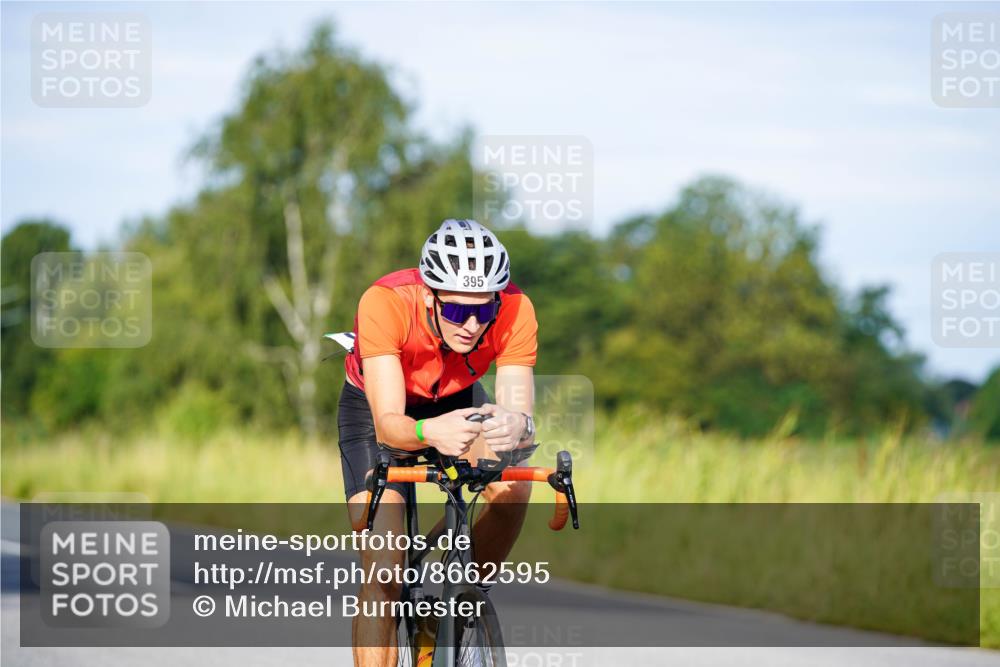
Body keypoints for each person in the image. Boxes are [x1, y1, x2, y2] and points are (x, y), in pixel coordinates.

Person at [337, 218, 538, 666]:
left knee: (514, 487)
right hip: (379, 412)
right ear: (430, 297)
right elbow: (390, 423)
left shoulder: (517, 308)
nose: (470, 326)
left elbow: (520, 413)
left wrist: (516, 424)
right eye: (455, 311)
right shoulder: (385, 302)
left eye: (483, 312)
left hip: (458, 399)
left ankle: (462, 604)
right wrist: (429, 431)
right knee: (385, 573)